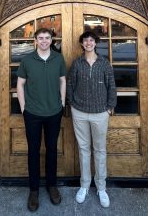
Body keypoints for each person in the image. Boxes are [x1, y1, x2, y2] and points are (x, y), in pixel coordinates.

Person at [17, 28, 66, 212]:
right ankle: (34, 190)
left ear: (52, 40)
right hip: (33, 114)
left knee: (52, 150)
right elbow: (20, 84)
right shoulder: (27, 60)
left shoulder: (58, 58)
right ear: (35, 40)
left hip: (54, 112)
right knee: (33, 151)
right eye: (40, 38)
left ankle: (51, 186)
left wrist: (61, 103)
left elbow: (63, 80)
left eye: (47, 38)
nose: (44, 41)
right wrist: (23, 108)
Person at [67, 31, 117, 208]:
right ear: (82, 44)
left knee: (100, 150)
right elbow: (70, 84)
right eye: (85, 40)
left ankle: (101, 187)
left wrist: (110, 106)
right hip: (79, 112)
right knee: (83, 149)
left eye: (91, 40)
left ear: (96, 43)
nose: (88, 43)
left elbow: (111, 85)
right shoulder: (77, 63)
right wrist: (72, 103)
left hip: (100, 113)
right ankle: (85, 185)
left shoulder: (104, 63)